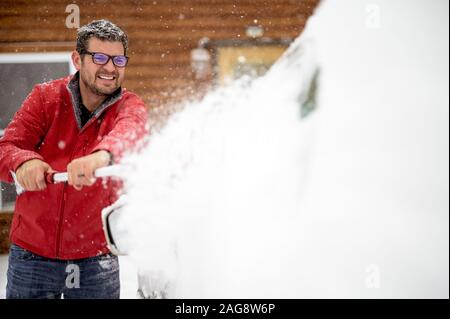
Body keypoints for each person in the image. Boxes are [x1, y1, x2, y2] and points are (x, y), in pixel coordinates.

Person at [0, 19, 148, 299]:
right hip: (32, 257)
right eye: (100, 57)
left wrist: (101, 156)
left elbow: (132, 132)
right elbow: (7, 146)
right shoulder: (46, 98)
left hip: (96, 259)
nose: (110, 68)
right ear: (77, 60)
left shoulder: (128, 105)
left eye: (118, 59)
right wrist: (23, 162)